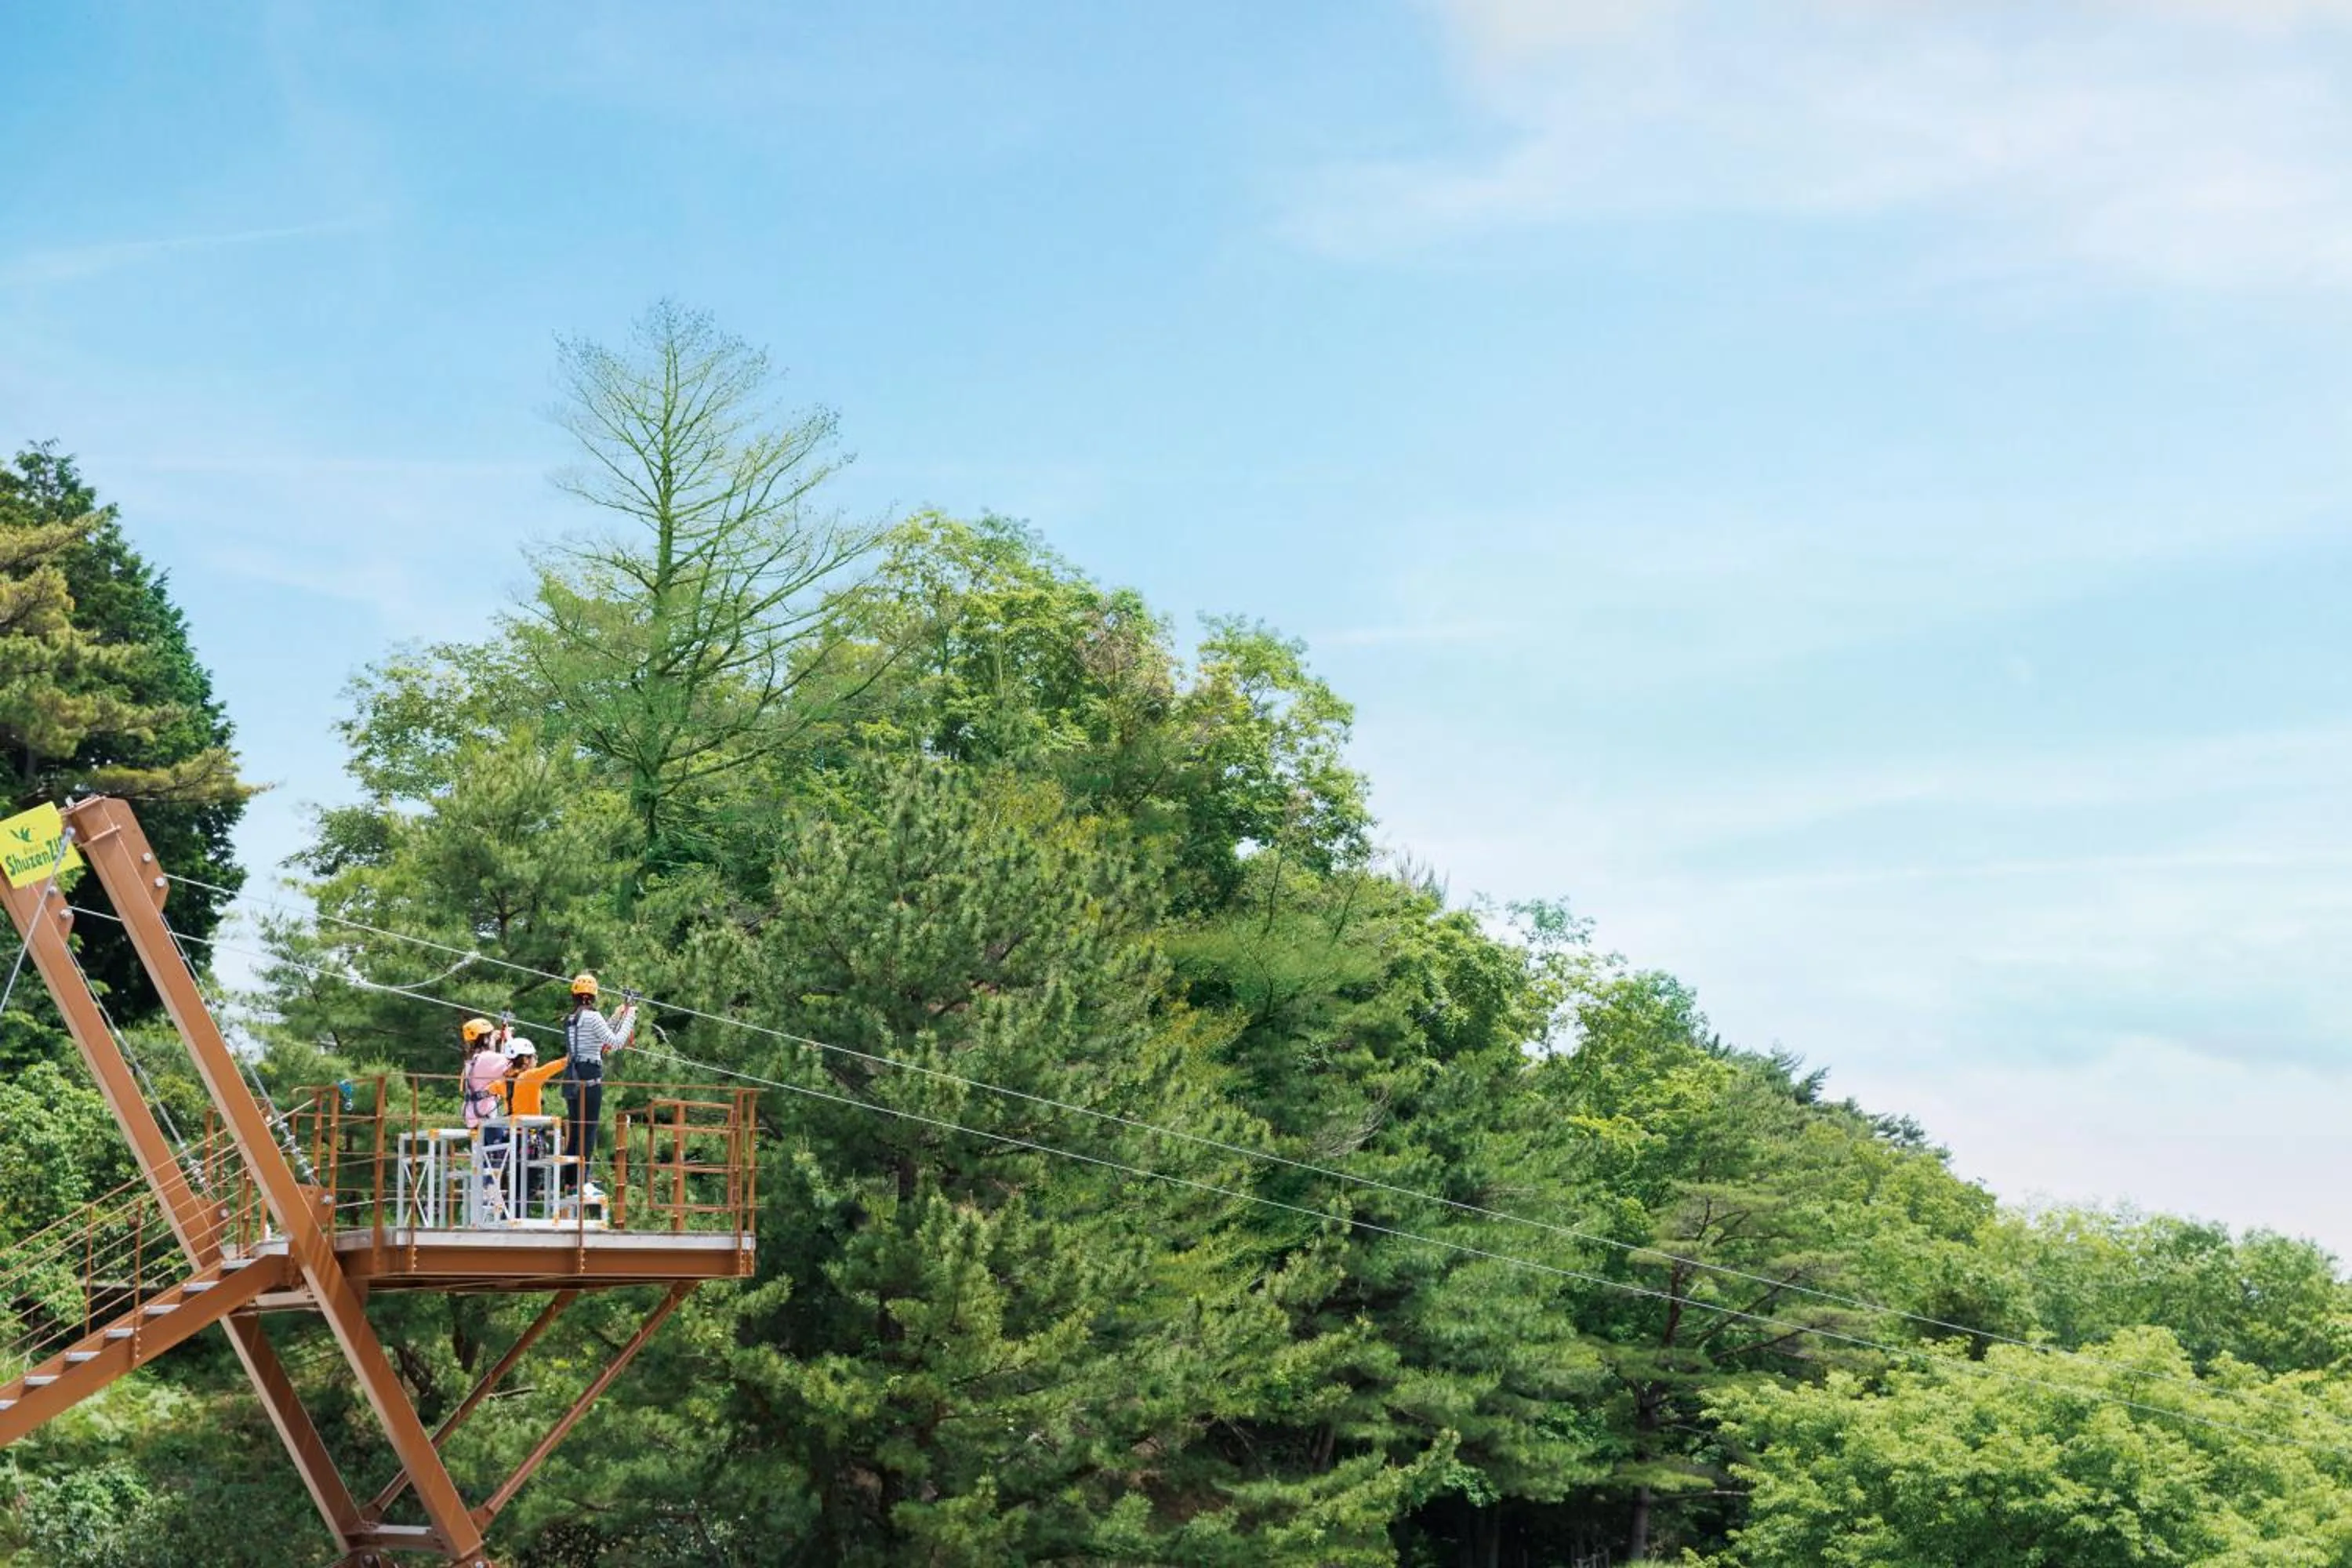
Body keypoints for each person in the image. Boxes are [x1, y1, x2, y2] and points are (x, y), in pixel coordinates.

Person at [561, 972, 635, 1199]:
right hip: (590, 1075)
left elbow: (599, 1035)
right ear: (593, 995)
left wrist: (616, 1016)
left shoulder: (571, 1019)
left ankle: (572, 1182)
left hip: (573, 1074)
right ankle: (583, 1182)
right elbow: (616, 1041)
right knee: (589, 1129)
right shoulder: (592, 1017)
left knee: (576, 1130)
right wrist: (630, 1016)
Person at [497, 1035, 568, 1214]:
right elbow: (552, 1067)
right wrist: (573, 1056)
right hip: (530, 1139)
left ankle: (510, 1216)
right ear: (526, 1060)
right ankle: (518, 1219)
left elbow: (487, 1090)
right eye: (534, 1056)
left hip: (512, 1139)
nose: (537, 1059)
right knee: (530, 1184)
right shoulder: (530, 1077)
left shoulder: (503, 1081)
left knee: (515, 1183)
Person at [459, 1016, 515, 1219]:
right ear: (484, 1039)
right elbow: (514, 1062)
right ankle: (491, 1193)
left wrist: (499, 1039)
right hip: (486, 1116)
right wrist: (508, 1038)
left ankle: (489, 1194)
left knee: (488, 1158)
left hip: (474, 1116)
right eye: (491, 1036)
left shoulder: (473, 1060)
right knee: (502, 1155)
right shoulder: (488, 1058)